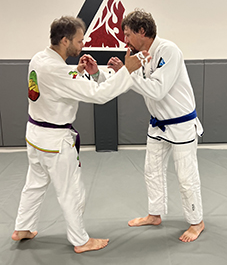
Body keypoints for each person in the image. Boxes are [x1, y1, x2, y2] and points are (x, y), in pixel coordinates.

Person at [11, 16, 151, 253]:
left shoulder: (39, 58)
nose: (82, 44)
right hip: (54, 142)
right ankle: (80, 240)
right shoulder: (56, 70)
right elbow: (98, 95)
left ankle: (22, 227)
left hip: (35, 136)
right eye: (79, 40)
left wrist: (79, 71)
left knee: (34, 184)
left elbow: (56, 86)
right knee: (71, 191)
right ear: (65, 41)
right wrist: (127, 70)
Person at [106, 9, 205, 242]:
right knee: (152, 171)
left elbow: (157, 90)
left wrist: (128, 73)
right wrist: (115, 73)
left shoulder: (168, 51)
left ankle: (196, 221)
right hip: (158, 125)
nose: (125, 40)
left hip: (181, 124)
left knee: (186, 176)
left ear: (142, 31)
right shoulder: (140, 55)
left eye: (128, 34)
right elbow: (132, 83)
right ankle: (155, 214)